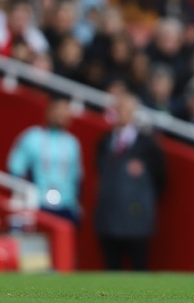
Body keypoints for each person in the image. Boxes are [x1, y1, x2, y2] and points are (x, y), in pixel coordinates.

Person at [94, 92, 166, 271]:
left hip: (137, 218)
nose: (121, 113)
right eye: (118, 109)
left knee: (138, 268)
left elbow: (161, 179)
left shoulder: (147, 145)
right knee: (111, 268)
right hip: (109, 216)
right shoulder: (105, 141)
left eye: (125, 109)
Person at [7, 95, 82, 224]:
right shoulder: (32, 137)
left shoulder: (73, 143)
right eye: (58, 110)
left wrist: (76, 205)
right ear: (49, 111)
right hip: (38, 204)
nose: (61, 115)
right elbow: (15, 169)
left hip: (66, 206)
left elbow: (77, 178)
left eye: (65, 111)